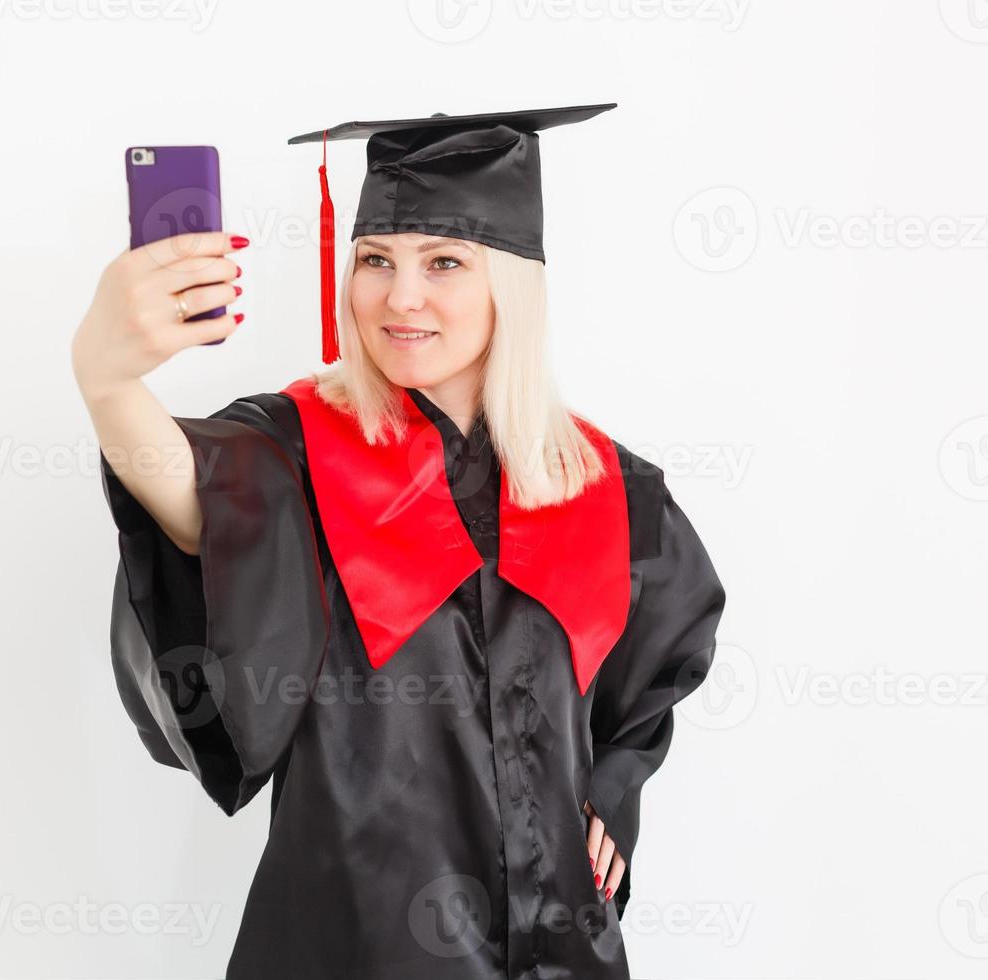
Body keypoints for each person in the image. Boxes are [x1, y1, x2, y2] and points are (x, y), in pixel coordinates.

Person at [71, 104, 726, 979]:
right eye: (376, 260)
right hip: (353, 946)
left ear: (512, 284)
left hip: (562, 948)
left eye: (444, 262)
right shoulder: (295, 451)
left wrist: (614, 788)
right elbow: (193, 500)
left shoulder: (607, 484)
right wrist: (107, 380)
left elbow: (655, 677)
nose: (399, 296)